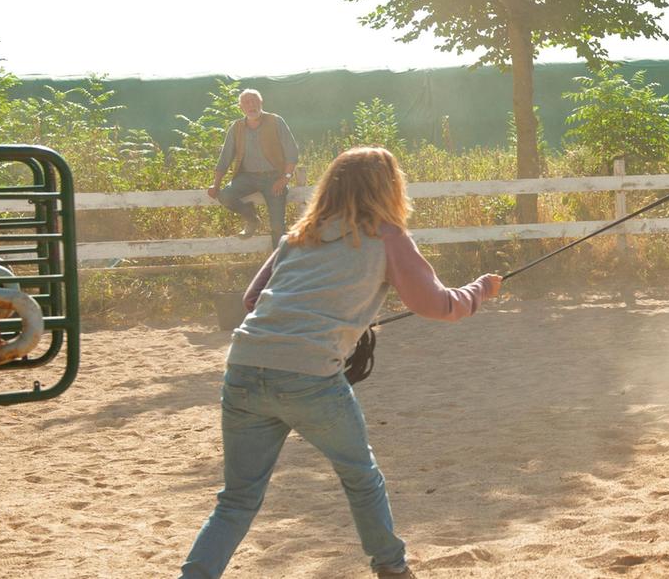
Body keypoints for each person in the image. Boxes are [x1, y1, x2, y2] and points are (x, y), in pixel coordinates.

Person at [181, 147, 503, 579]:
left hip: (244, 366)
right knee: (360, 476)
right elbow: (439, 305)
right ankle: (391, 567)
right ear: (389, 188)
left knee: (237, 500)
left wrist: (339, 314)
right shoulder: (387, 237)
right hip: (311, 378)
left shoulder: (297, 236)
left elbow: (253, 301)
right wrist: (480, 289)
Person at [207, 88, 300, 248]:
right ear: (241, 107)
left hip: (274, 178)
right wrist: (216, 184)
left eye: (254, 101)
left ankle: (278, 266)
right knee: (226, 196)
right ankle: (251, 217)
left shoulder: (276, 121)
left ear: (261, 102)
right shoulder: (236, 128)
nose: (251, 105)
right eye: (247, 102)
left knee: (278, 226)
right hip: (247, 178)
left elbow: (292, 151)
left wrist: (285, 178)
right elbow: (225, 157)